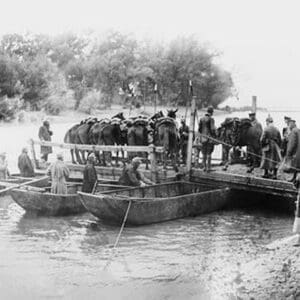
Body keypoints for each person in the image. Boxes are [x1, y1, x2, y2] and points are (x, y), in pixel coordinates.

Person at [198, 106, 216, 172]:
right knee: (209, 153)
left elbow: (199, 129)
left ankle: (204, 167)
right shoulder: (211, 119)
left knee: (203, 154)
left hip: (203, 139)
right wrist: (214, 135)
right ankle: (208, 168)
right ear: (211, 112)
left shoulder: (201, 119)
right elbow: (212, 129)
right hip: (209, 139)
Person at [286, 119, 300, 183]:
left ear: (291, 124)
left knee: (295, 166)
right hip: (298, 151)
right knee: (297, 166)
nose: (288, 126)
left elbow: (292, 143)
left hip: (296, 152)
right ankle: (294, 178)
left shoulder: (293, 131)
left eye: (289, 124)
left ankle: (295, 179)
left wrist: (289, 152)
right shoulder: (298, 130)